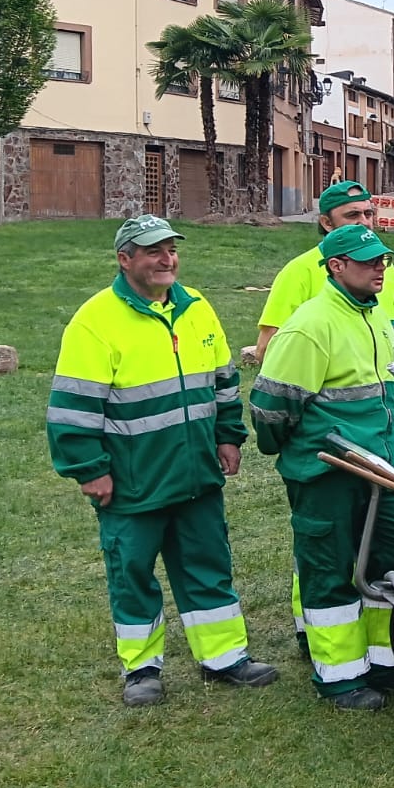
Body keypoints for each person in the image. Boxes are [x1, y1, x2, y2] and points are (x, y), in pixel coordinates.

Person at [47, 215, 277, 706]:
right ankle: (142, 668)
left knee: (208, 563)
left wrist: (228, 436)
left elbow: (223, 383)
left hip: (196, 473)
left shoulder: (196, 308)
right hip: (133, 479)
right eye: (153, 251)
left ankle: (223, 657)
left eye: (171, 249)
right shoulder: (95, 321)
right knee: (131, 571)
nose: (166, 259)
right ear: (124, 259)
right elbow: (72, 407)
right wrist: (89, 468)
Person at [250, 225, 394, 711]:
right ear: (336, 267)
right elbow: (270, 409)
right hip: (325, 471)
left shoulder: (377, 318)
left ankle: (383, 657)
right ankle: (341, 677)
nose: (380, 269)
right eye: (369, 262)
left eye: (384, 261)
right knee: (329, 568)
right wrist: (304, 450)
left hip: (380, 469)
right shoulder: (310, 325)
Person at [255, 180, 394, 363]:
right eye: (352, 215)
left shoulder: (384, 266)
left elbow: (393, 335)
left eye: (368, 214)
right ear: (327, 222)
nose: (364, 222)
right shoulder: (298, 271)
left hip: (387, 389)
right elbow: (267, 349)